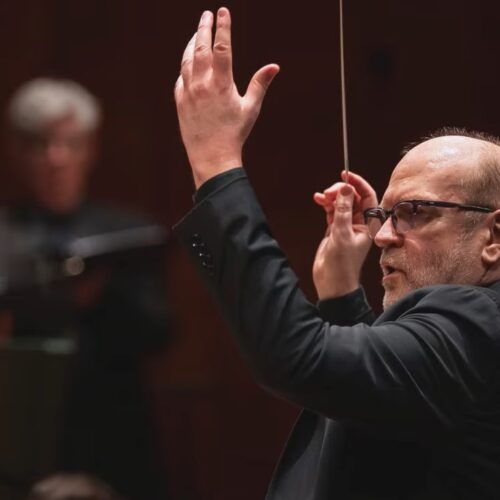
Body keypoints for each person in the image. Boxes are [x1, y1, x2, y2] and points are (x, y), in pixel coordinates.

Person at [174, 7, 500, 499]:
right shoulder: (457, 345)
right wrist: (342, 294)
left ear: (493, 238)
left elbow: (298, 358)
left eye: (415, 211)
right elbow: (366, 403)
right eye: (384, 215)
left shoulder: (479, 322)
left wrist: (216, 163)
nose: (383, 236)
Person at [3, 78, 170, 500]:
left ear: (90, 149)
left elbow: (159, 331)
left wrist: (99, 298)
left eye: (70, 143)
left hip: (113, 430)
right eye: (41, 145)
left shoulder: (128, 231)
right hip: (22, 428)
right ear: (18, 153)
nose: (56, 158)